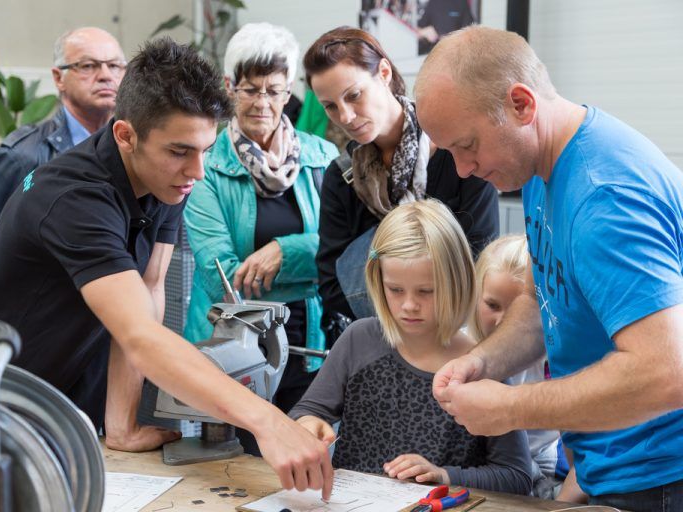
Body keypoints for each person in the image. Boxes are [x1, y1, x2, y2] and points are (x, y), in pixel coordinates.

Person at [0, 37, 334, 499]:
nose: (197, 170)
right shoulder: (76, 199)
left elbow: (150, 290)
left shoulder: (165, 179)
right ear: (126, 135)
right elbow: (140, 335)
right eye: (179, 152)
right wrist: (269, 421)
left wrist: (122, 424)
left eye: (205, 149)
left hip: (68, 408)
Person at [416, 25, 683, 511]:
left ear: (521, 104)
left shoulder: (605, 198)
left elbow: (667, 371)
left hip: (662, 477)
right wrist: (486, 362)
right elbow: (544, 305)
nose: (462, 170)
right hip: (614, 467)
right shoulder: (542, 169)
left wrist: (511, 408)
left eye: (467, 145)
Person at [289, 199, 532, 495]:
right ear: (377, 282)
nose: (409, 305)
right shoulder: (358, 340)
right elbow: (306, 412)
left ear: (456, 281)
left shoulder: (483, 363)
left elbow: (516, 476)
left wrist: (444, 476)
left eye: (426, 291)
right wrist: (308, 425)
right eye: (395, 289)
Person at [183, 23, 338, 454]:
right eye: (250, 89)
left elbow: (340, 258)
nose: (262, 103)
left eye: (274, 90)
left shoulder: (323, 159)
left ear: (289, 92)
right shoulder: (206, 166)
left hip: (312, 348)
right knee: (240, 470)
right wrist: (315, 260)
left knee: (311, 462)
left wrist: (283, 252)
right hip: (233, 350)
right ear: (229, 87)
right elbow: (224, 281)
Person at [302, 26, 498, 339]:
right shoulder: (341, 177)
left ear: (383, 72)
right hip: (380, 346)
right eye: (330, 106)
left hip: (458, 342)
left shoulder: (459, 154)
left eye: (354, 95)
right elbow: (332, 285)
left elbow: (482, 261)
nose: (346, 117)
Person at [0, 27, 126, 314]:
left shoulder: (131, 152)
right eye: (89, 66)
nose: (106, 75)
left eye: (115, 65)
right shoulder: (21, 157)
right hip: (32, 335)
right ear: (59, 78)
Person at [469, 234, 563, 499]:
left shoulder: (555, 358)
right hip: (481, 464)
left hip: (543, 468)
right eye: (492, 305)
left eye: (516, 310)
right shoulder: (462, 350)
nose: (502, 322)